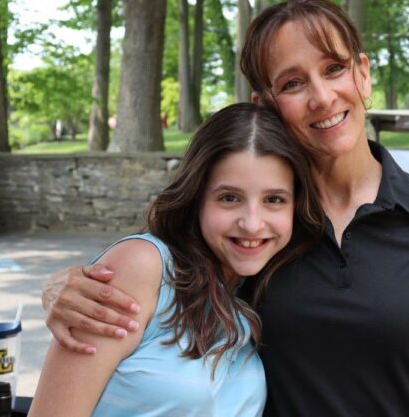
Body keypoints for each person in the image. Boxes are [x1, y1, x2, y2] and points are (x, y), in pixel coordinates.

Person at [41, 0, 409, 416]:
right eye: (293, 82)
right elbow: (166, 267)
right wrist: (66, 284)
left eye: (334, 68)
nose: (322, 97)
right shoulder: (263, 229)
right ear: (266, 104)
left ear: (363, 73)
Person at [29, 103, 323, 416]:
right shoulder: (142, 267)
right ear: (197, 197)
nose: (252, 223)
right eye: (229, 198)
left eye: (274, 200)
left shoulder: (262, 286)